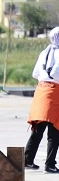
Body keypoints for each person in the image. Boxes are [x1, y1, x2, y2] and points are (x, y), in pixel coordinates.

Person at [24, 26, 59, 173]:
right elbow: (56, 74)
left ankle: (27, 160)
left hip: (41, 91)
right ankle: (50, 164)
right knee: (55, 131)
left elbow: (35, 73)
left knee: (38, 129)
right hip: (54, 92)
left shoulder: (44, 52)